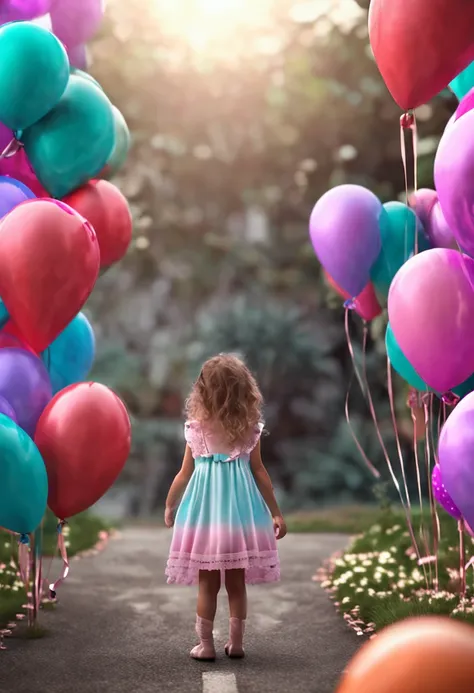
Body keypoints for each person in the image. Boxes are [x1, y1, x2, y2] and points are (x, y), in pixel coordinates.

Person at [165, 353, 286, 661]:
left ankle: (205, 645)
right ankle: (237, 643)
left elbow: (184, 473)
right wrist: (275, 511)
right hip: (239, 518)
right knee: (236, 583)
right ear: (244, 390)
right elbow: (259, 472)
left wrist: (170, 505)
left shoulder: (196, 429)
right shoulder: (249, 429)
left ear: (202, 392)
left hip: (204, 517)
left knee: (207, 584)